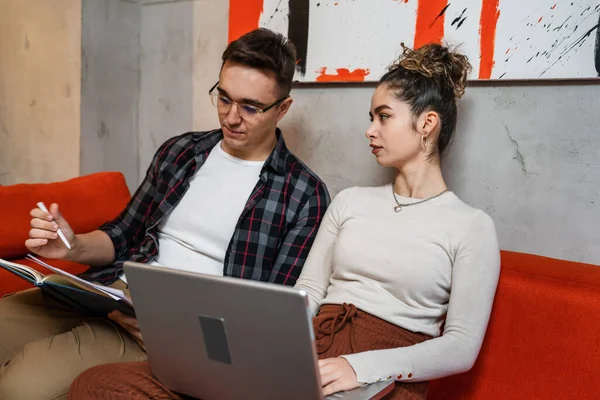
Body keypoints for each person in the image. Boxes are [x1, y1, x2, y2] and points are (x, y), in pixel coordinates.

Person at [68, 43, 500, 400]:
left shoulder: (470, 227)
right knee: (98, 386)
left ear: (427, 124)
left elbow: (460, 347)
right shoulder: (350, 203)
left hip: (384, 373)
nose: (369, 129)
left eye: (383, 116)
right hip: (307, 354)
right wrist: (257, 351)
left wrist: (358, 367)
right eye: (370, 117)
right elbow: (307, 294)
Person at [0, 28, 329, 400]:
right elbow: (122, 234)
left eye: (250, 107)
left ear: (282, 108)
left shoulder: (303, 194)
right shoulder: (181, 152)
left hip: (175, 328)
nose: (232, 117)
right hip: (110, 290)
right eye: (223, 98)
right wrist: (72, 245)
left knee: (20, 388)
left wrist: (176, 332)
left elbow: (270, 311)